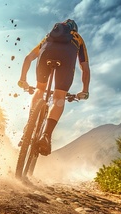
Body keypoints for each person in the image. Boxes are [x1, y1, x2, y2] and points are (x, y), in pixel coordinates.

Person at [18, 19, 90, 156]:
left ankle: (29, 125)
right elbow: (85, 69)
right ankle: (46, 135)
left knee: (40, 90)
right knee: (59, 97)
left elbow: (28, 58)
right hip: (67, 58)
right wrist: (85, 91)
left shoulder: (48, 37)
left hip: (46, 54)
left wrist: (23, 80)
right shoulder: (77, 38)